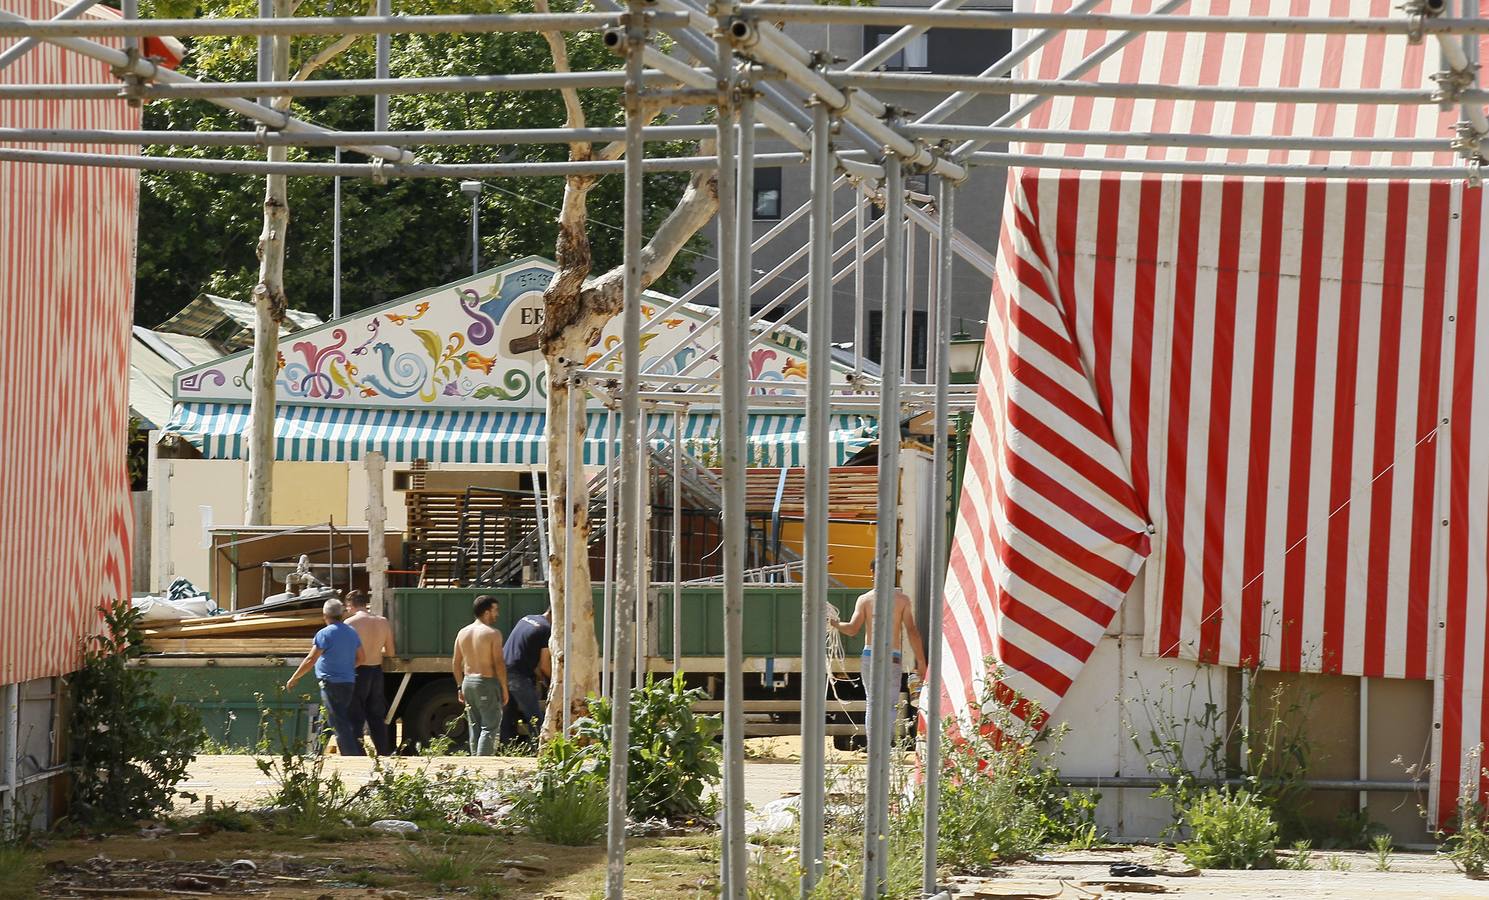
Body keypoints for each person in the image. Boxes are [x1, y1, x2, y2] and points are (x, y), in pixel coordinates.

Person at [829, 560, 927, 750]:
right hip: (892, 656)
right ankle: (884, 746)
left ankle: (874, 746)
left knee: (872, 702)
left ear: (872, 572)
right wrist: (921, 661)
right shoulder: (902, 600)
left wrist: (835, 623)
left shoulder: (865, 600)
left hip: (870, 655)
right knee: (890, 703)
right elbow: (912, 631)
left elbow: (851, 629)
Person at [286, 598, 366, 756]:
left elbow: (311, 659)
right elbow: (361, 658)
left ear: (325, 615)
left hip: (331, 683)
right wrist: (345, 668)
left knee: (338, 721)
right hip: (348, 682)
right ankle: (315, 753)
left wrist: (295, 677)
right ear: (342, 614)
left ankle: (352, 756)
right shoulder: (351, 632)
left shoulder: (324, 634)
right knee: (328, 716)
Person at [452, 594, 509, 755]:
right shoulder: (493, 633)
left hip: (468, 682)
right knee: (490, 727)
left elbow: (456, 663)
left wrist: (459, 686)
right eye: (495, 610)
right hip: (486, 682)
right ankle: (484, 765)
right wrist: (504, 687)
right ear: (486, 612)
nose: (497, 614)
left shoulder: (462, 632)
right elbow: (499, 662)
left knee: (474, 726)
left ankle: (474, 766)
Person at [344, 590, 396, 756]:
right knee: (376, 717)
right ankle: (383, 752)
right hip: (376, 671)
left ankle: (358, 755)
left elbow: (347, 653)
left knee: (355, 716)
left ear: (351, 605)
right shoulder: (383, 622)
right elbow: (390, 652)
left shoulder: (350, 623)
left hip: (359, 671)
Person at [500, 607, 552, 745]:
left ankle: (504, 748)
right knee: (535, 717)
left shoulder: (527, 618)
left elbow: (529, 656)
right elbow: (544, 665)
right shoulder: (546, 629)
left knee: (507, 716)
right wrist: (554, 681)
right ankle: (539, 749)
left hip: (504, 670)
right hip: (519, 675)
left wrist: (540, 677)